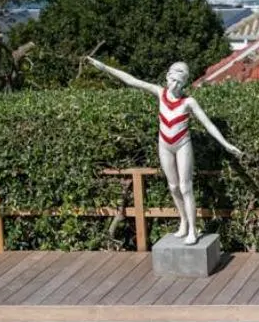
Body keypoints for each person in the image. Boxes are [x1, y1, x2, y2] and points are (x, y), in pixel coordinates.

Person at [86, 57, 242, 244]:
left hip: (183, 144)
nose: (175, 85)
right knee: (173, 186)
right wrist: (104, 67)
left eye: (180, 82)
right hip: (164, 145)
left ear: (185, 83)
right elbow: (132, 81)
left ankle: (193, 228)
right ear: (167, 77)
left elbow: (208, 124)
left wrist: (225, 144)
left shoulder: (189, 102)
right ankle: (183, 220)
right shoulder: (160, 93)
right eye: (173, 80)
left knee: (186, 187)